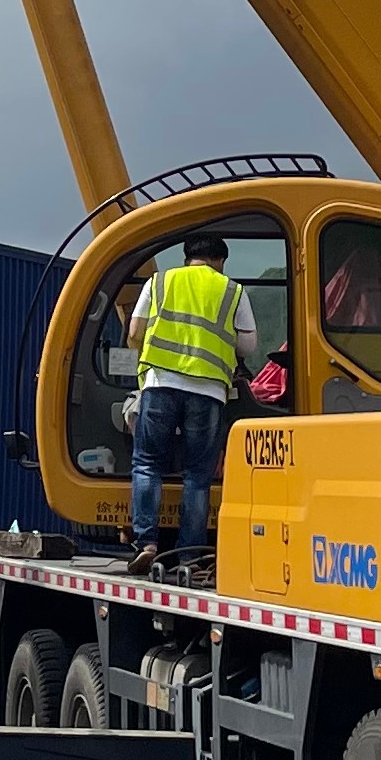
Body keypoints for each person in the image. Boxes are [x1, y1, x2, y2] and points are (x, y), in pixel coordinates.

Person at [122, 232, 254, 575]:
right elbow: (248, 346)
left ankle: (146, 543)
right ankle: (189, 555)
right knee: (198, 475)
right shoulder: (232, 291)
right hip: (208, 391)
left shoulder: (159, 282)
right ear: (220, 261)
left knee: (147, 464)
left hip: (161, 384)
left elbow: (134, 332)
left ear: (187, 258)